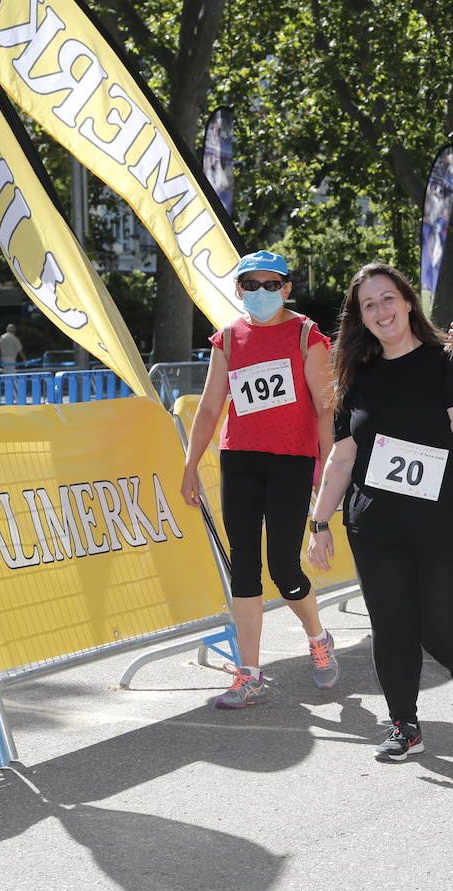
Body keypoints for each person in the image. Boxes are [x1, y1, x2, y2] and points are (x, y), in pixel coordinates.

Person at [307, 263, 453, 761]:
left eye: (388, 299)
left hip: (446, 520)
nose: (381, 311)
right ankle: (403, 724)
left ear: (408, 302)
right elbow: (343, 455)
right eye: (369, 305)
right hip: (376, 524)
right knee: (391, 625)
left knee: (444, 626)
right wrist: (319, 521)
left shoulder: (447, 361)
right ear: (361, 318)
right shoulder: (357, 376)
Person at [182, 250, 339, 709]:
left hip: (290, 461)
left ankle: (318, 637)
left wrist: (328, 471)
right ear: (239, 290)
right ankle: (249, 674)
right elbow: (210, 407)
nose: (263, 293)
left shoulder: (307, 334)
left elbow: (326, 408)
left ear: (287, 288)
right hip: (240, 459)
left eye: (273, 285)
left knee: (285, 568)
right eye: (253, 285)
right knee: (244, 565)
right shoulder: (229, 338)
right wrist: (190, 466)